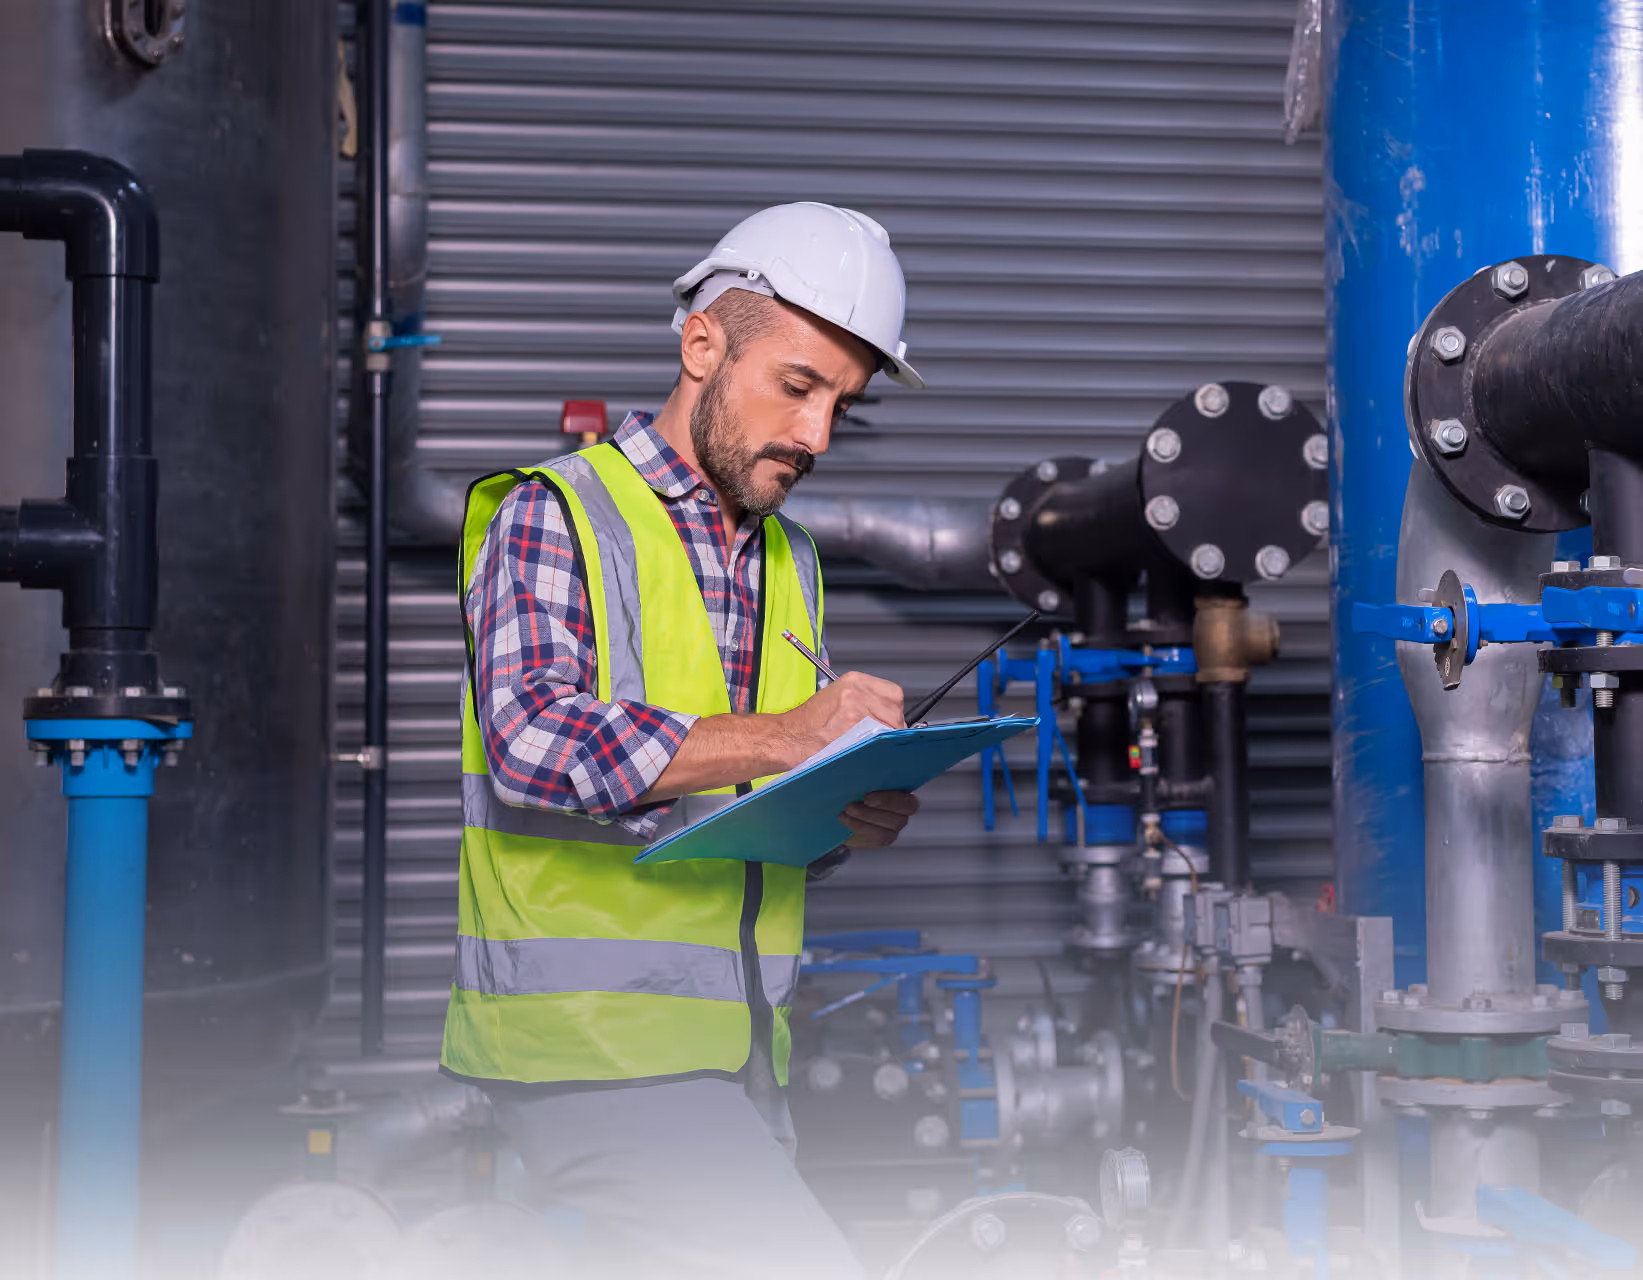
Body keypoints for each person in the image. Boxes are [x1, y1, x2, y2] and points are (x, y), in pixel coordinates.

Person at [441, 203, 926, 1279]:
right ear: (701, 345)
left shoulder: (786, 558)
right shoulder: (552, 514)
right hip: (586, 1054)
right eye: (796, 387)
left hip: (740, 1052)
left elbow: (745, 791)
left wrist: (843, 803)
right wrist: (792, 731)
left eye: (840, 406)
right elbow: (530, 740)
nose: (815, 437)